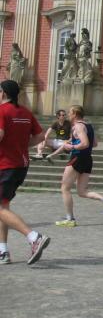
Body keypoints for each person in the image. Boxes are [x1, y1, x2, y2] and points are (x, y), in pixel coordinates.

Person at [0, 80, 50, 265]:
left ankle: (34, 237)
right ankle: (3, 251)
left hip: (5, 165)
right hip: (21, 165)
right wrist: (21, 145)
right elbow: (40, 136)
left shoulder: (2, 111)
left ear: (3, 93)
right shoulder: (25, 112)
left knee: (0, 208)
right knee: (4, 207)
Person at [56, 105, 103, 227]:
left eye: (70, 112)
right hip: (87, 159)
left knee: (65, 188)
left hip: (77, 158)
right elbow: (95, 143)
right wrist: (75, 142)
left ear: (75, 114)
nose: (68, 115)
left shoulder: (78, 126)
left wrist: (72, 146)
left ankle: (70, 219)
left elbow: (85, 143)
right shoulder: (88, 126)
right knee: (82, 192)